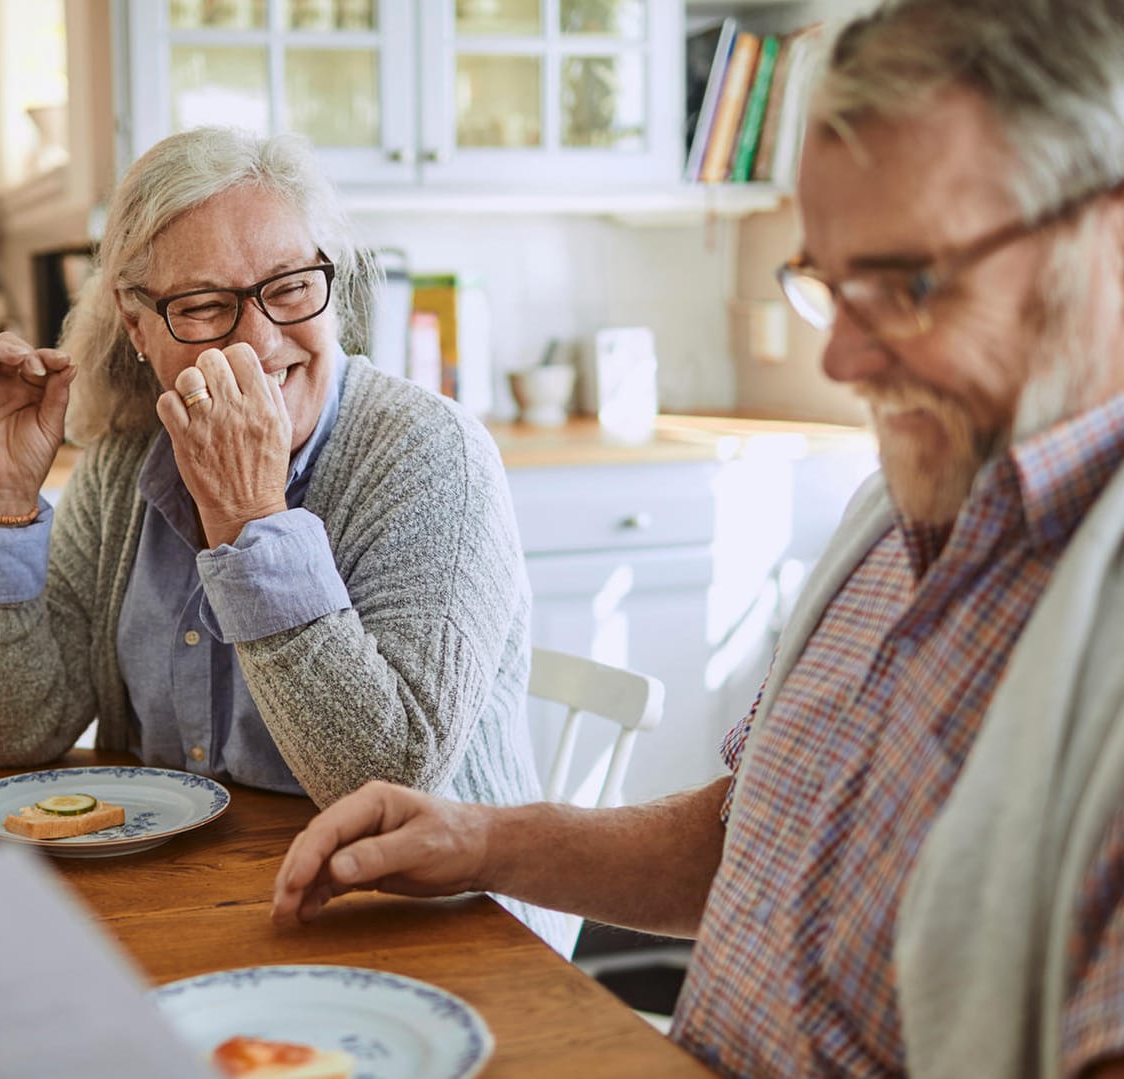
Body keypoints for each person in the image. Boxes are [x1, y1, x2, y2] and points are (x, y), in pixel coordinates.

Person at [272, 2, 1124, 1076]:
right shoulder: (897, 512)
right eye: (827, 283)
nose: (842, 362)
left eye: (908, 283)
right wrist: (481, 839)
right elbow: (761, 834)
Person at [0, 126, 575, 953]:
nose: (258, 341)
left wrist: (251, 522)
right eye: (202, 306)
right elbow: (8, 733)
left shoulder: (431, 454)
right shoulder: (128, 458)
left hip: (440, 930)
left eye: (292, 287)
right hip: (197, 908)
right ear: (136, 323)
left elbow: (387, 780)